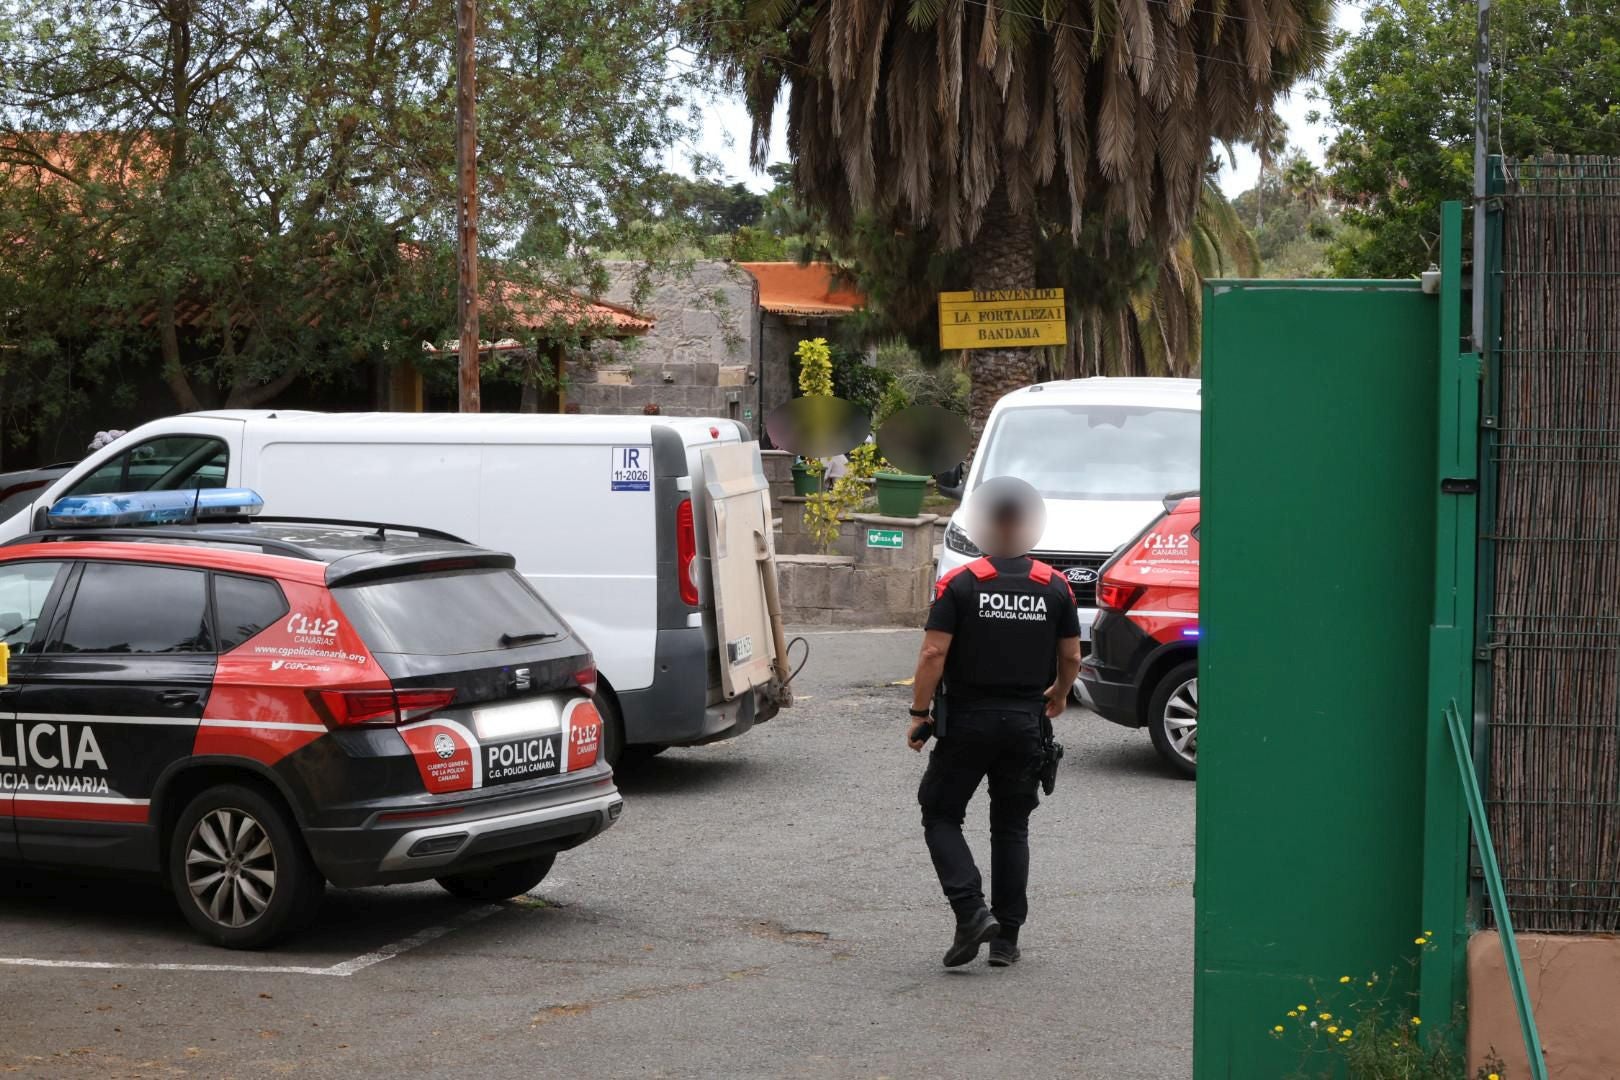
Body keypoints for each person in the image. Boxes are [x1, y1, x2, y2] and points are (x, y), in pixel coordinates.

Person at [906, 477, 1082, 968]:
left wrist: (919, 714)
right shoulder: (1054, 586)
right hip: (1026, 723)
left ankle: (971, 911)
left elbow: (933, 652)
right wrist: (1059, 694)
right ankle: (1005, 939)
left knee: (940, 812)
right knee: (1010, 827)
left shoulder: (961, 584)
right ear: (1028, 525)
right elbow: (1072, 656)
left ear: (983, 525)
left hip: (967, 721)